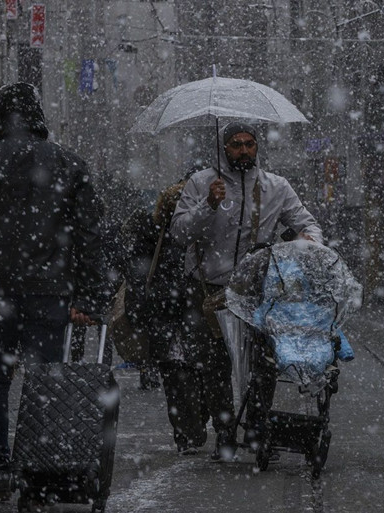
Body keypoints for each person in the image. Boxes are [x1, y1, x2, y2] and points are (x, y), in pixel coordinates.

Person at [0, 82, 106, 503]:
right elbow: (89, 235)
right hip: (50, 290)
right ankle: (38, 472)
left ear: (1, 118)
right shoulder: (69, 164)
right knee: (44, 380)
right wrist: (90, 297)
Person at [169, 122, 323, 461]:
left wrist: (307, 241)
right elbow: (179, 232)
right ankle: (224, 432)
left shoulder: (276, 187)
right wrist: (208, 203)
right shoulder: (200, 183)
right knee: (215, 364)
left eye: (249, 144)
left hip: (259, 290)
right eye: (236, 145)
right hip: (209, 290)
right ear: (224, 149)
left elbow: (307, 224)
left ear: (257, 147)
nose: (243, 151)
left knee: (264, 362)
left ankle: (256, 427)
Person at [119, 176, 193, 449]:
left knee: (179, 377)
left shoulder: (178, 233)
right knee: (178, 375)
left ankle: (186, 430)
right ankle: (186, 430)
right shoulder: (156, 234)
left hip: (171, 311)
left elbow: (138, 276)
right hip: (171, 311)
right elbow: (139, 275)